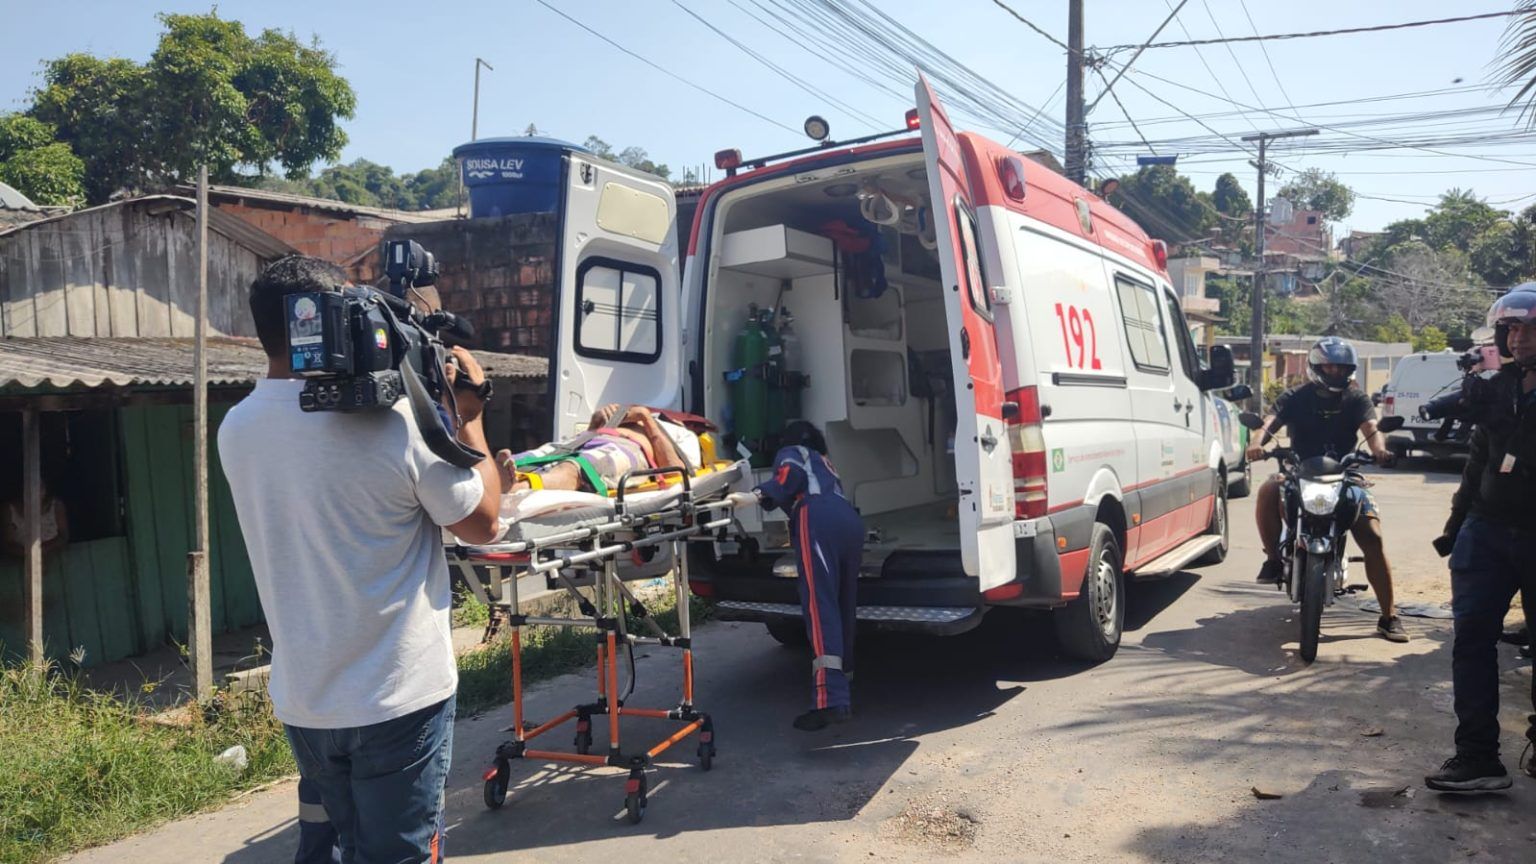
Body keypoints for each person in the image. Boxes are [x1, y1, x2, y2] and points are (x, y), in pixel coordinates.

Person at [219, 255, 501, 862]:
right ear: (331, 317)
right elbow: (482, 523)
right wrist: (467, 417)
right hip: (399, 698)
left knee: (339, 846)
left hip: (307, 700)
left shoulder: (236, 428)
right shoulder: (395, 424)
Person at [1425, 285, 1536, 792]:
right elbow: (1476, 466)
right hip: (1486, 530)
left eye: (1530, 328)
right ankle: (1477, 757)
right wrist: (1455, 527)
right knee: (1471, 641)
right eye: (1512, 328)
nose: (1519, 338)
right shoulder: (1496, 388)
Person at [1245, 337, 1408, 643]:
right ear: (1316, 367)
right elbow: (1269, 424)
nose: (1335, 372)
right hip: (1299, 472)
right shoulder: (1296, 396)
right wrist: (1256, 444)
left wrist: (1380, 451)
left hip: (1346, 474)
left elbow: (1371, 429)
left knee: (1372, 535)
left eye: (1341, 367)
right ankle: (1273, 558)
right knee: (1268, 489)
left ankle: (1389, 616)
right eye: (1329, 366)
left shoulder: (1356, 398)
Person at [730, 421, 865, 731]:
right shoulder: (825, 462)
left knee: (820, 608)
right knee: (844, 605)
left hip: (817, 518)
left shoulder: (794, 451)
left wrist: (756, 495)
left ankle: (829, 701)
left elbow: (789, 478)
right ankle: (843, 685)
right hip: (849, 519)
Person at [495, 404, 692, 494]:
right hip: (589, 438)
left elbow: (675, 471)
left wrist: (646, 418)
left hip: (627, 448)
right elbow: (591, 434)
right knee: (541, 454)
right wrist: (596, 422)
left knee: (578, 466)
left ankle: (519, 487)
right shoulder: (628, 415)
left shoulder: (677, 432)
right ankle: (500, 475)